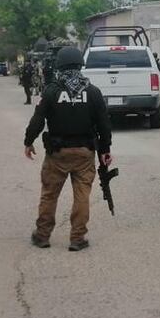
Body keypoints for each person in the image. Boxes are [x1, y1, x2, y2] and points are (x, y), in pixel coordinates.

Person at [24, 47, 112, 252]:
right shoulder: (93, 92)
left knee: (49, 194)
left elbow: (37, 120)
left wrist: (29, 141)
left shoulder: (52, 91)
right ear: (80, 66)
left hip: (57, 154)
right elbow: (104, 124)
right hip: (84, 153)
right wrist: (105, 149)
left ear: (59, 66)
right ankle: (77, 238)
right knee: (82, 196)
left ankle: (42, 236)